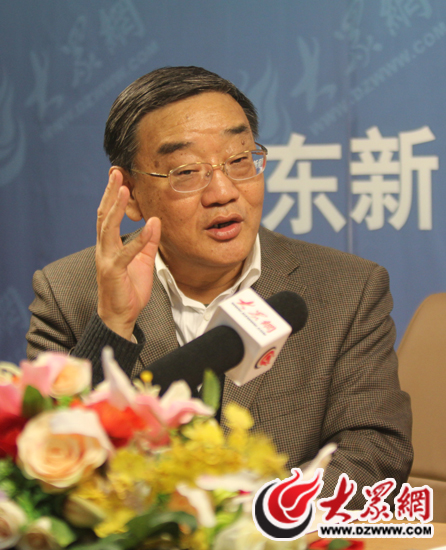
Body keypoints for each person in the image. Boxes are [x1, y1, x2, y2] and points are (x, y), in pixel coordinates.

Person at [26, 66, 412, 508]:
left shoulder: (347, 288)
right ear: (129, 193)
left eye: (240, 160)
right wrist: (113, 324)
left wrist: (247, 522)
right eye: (187, 171)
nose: (224, 191)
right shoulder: (67, 292)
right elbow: (46, 466)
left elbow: (376, 451)